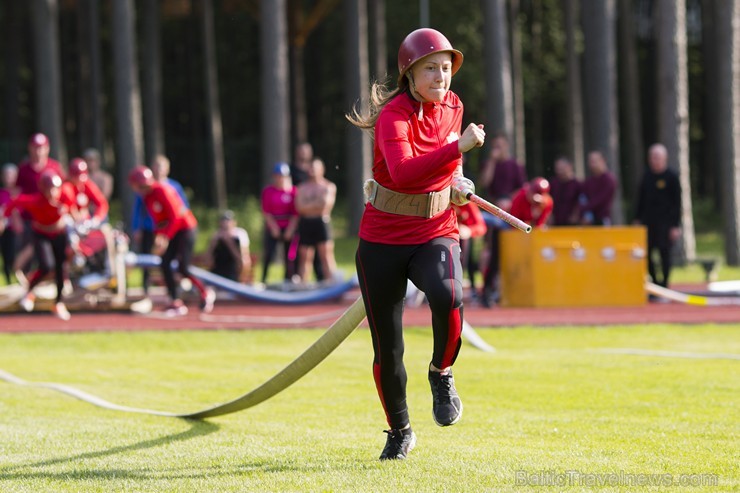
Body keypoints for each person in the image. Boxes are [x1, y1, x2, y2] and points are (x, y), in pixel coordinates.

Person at [346, 27, 484, 460]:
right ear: (410, 73)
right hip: (382, 238)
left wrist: (459, 179)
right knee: (388, 349)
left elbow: (448, 156)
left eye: (446, 68)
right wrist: (457, 150)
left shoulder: (454, 106)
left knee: (448, 295)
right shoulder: (394, 115)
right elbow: (404, 174)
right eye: (431, 69)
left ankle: (441, 372)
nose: (441, 77)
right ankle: (399, 430)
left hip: (435, 228)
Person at [128, 165, 215, 316]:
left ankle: (205, 292)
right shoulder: (147, 197)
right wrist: (159, 237)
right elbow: (160, 220)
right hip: (173, 230)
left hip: (185, 229)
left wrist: (165, 238)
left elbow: (175, 217)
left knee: (183, 267)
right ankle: (175, 301)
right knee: (165, 263)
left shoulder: (162, 190)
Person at [1, 170, 77, 320]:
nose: (53, 192)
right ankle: (29, 292)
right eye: (49, 189)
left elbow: (73, 205)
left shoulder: (65, 194)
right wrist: (5, 218)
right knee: (46, 266)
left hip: (59, 233)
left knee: (61, 268)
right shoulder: (35, 201)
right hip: (41, 234)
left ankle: (58, 303)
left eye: (55, 188)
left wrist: (69, 212)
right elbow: (14, 202)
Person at [131, 155, 190, 304]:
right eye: (156, 167)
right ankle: (150, 289)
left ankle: (178, 291)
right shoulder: (145, 189)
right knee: (152, 259)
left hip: (170, 230)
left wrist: (166, 236)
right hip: (152, 228)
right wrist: (137, 227)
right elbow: (139, 209)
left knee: (173, 261)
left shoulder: (170, 187)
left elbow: (180, 210)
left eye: (161, 167)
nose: (158, 170)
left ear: (167, 169)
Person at [478, 133, 527, 307]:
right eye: (495, 146)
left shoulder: (515, 166)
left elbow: (522, 190)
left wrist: (509, 201)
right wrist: (491, 162)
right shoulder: (489, 164)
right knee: (491, 252)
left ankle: (502, 289)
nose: (497, 149)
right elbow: (484, 182)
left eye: (500, 146)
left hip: (510, 214)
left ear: (507, 146)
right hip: (492, 212)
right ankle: (487, 290)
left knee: (504, 251)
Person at [634, 143, 682, 289]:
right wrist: (637, 219)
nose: (654, 160)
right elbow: (640, 200)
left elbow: (677, 203)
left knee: (664, 253)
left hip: (666, 223)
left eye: (657, 157)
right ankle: (655, 283)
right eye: (652, 157)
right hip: (648, 222)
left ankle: (665, 284)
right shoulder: (646, 176)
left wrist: (675, 225)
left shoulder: (672, 177)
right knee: (647, 253)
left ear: (664, 158)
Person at [63, 158, 116, 277]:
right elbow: (69, 205)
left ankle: (108, 270)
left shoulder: (86, 184)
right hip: (70, 225)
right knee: (71, 240)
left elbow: (101, 203)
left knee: (106, 234)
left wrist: (96, 219)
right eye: (77, 176)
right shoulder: (66, 186)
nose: (80, 180)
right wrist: (77, 218)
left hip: (85, 224)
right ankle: (71, 272)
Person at [294, 157, 338, 283]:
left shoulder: (328, 186)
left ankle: (332, 284)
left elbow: (325, 206)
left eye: (315, 168)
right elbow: (300, 207)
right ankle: (303, 284)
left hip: (321, 223)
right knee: (305, 257)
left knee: (326, 256)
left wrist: (308, 204)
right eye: (310, 168)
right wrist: (316, 203)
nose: (312, 170)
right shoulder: (302, 187)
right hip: (306, 223)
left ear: (321, 170)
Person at [260, 162, 299, 284]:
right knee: (269, 253)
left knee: (291, 255)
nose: (280, 179)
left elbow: (296, 213)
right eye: (277, 176)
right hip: (274, 226)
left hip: (289, 226)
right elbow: (266, 212)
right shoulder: (268, 191)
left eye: (282, 176)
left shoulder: (293, 192)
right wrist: (273, 228)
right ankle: (264, 279)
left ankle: (288, 278)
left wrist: (290, 229)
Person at [452, 200, 487, 299]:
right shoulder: (443, 200)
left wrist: (469, 231)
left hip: (462, 241)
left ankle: (465, 288)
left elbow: (481, 227)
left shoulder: (467, 203)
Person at [206, 210, 251, 283]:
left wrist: (229, 242)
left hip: (233, 274)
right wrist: (213, 243)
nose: (225, 223)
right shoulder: (216, 236)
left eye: (228, 221)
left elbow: (243, 260)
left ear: (234, 222)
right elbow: (208, 260)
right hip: (217, 273)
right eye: (223, 221)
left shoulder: (240, 234)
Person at [581, 150, 617, 226]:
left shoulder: (609, 179)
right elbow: (583, 197)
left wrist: (585, 209)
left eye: (594, 161)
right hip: (588, 221)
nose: (592, 164)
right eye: (590, 161)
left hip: (603, 219)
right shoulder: (589, 181)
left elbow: (600, 200)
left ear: (603, 161)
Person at [0, 163, 20, 284]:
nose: (9, 178)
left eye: (11, 175)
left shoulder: (20, 192)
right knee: (7, 257)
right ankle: (9, 282)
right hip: (6, 230)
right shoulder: (1, 193)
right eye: (6, 175)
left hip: (19, 231)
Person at [549, 156, 582, 226]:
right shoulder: (553, 183)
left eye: (562, 169)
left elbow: (581, 202)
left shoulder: (578, 184)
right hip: (556, 223)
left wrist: (576, 215)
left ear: (569, 167)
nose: (559, 172)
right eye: (557, 169)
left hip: (572, 224)